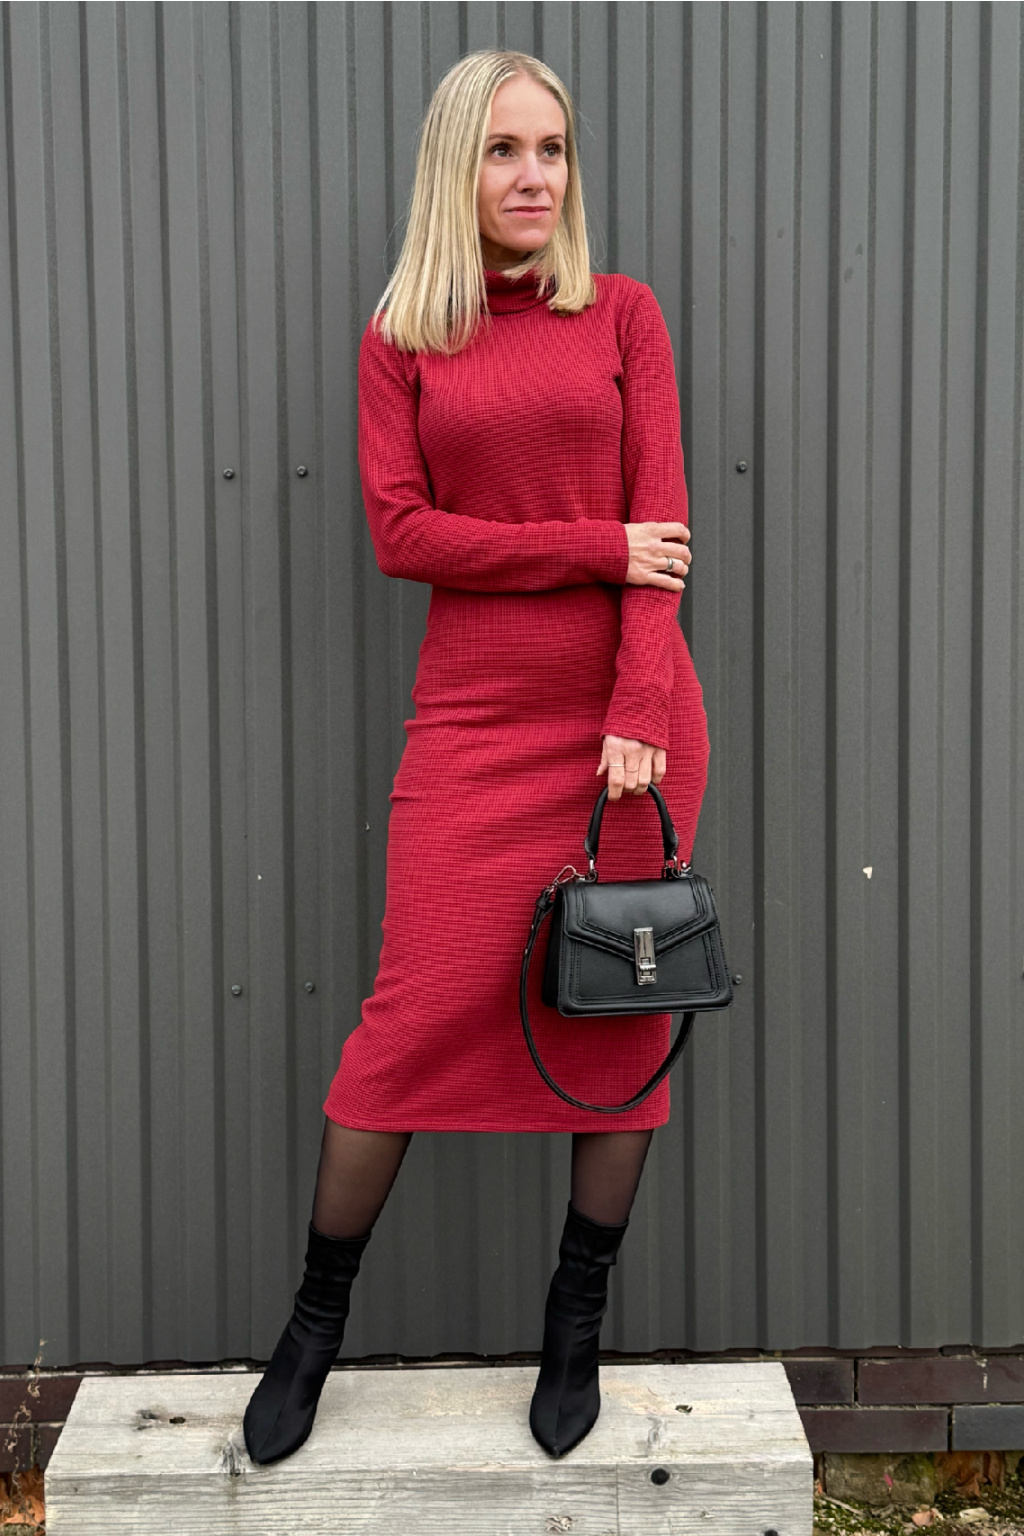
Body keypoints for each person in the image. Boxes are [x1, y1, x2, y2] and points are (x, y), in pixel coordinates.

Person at [243, 47, 709, 1468]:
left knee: (619, 1010)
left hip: (629, 721)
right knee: (409, 1014)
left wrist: (639, 707)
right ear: (458, 168)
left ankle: (576, 1323)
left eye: (551, 150)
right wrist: (590, 544)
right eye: (504, 149)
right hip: (474, 718)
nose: (532, 175)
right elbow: (405, 536)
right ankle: (313, 1325)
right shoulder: (403, 339)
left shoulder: (623, 315)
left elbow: (663, 543)